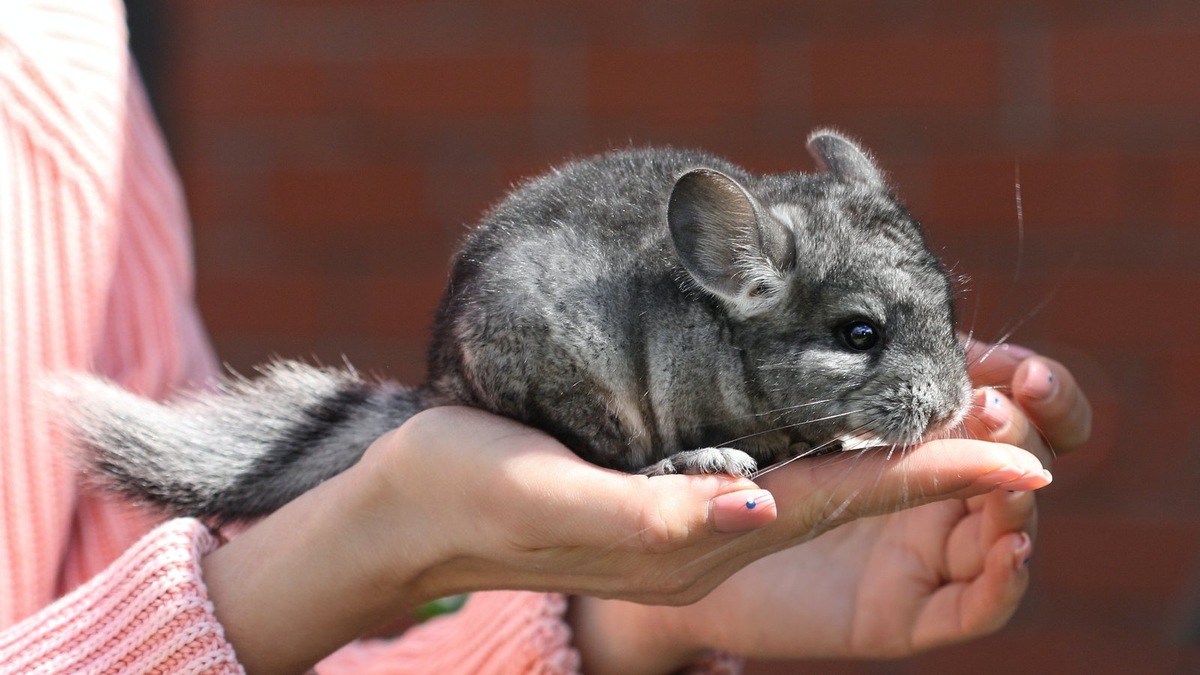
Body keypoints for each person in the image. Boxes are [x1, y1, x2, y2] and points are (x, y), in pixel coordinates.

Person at [0, 2, 1092, 673]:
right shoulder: (53, 80)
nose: (931, 381)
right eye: (861, 337)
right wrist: (369, 538)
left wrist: (640, 613)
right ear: (742, 277)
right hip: (544, 343)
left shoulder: (74, 66)